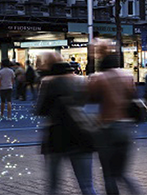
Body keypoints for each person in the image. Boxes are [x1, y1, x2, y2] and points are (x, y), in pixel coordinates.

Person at [35, 51, 97, 195]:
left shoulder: (48, 82)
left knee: (53, 186)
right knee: (87, 185)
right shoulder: (82, 80)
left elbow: (41, 110)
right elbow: (86, 102)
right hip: (82, 135)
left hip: (56, 137)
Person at [88, 52, 141, 195]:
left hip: (107, 126)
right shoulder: (127, 76)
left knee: (108, 174)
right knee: (122, 172)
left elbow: (91, 97)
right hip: (125, 126)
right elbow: (133, 97)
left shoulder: (99, 78)